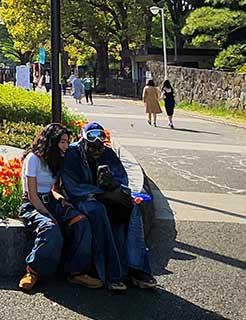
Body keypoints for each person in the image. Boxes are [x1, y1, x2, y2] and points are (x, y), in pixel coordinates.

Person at [60, 122, 157, 292]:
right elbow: (72, 186)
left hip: (107, 195)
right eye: (92, 139)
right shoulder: (73, 154)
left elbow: (122, 179)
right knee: (98, 210)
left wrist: (114, 186)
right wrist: (100, 193)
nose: (97, 144)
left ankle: (137, 268)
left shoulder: (108, 153)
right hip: (82, 198)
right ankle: (113, 273)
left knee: (132, 208)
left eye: (101, 138)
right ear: (83, 139)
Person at [18, 123, 102, 292]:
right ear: (52, 141)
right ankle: (33, 271)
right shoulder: (33, 159)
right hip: (33, 204)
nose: (66, 146)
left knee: (81, 221)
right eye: (62, 142)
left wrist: (61, 199)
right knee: (50, 228)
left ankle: (76, 271)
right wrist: (48, 214)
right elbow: (32, 194)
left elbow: (52, 190)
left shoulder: (57, 159)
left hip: (51, 200)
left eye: (67, 142)